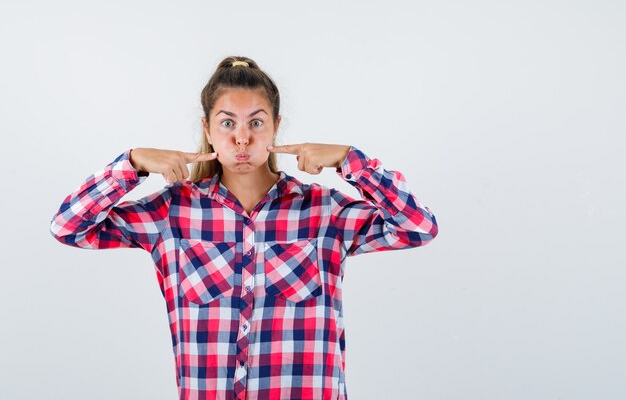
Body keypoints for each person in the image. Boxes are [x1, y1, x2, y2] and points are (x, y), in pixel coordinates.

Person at [49, 56, 439, 400]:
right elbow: (69, 227)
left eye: (256, 122)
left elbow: (418, 227)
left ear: (276, 127)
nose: (241, 138)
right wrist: (130, 164)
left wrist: (350, 160)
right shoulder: (171, 213)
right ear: (207, 129)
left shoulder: (323, 211)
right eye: (227, 123)